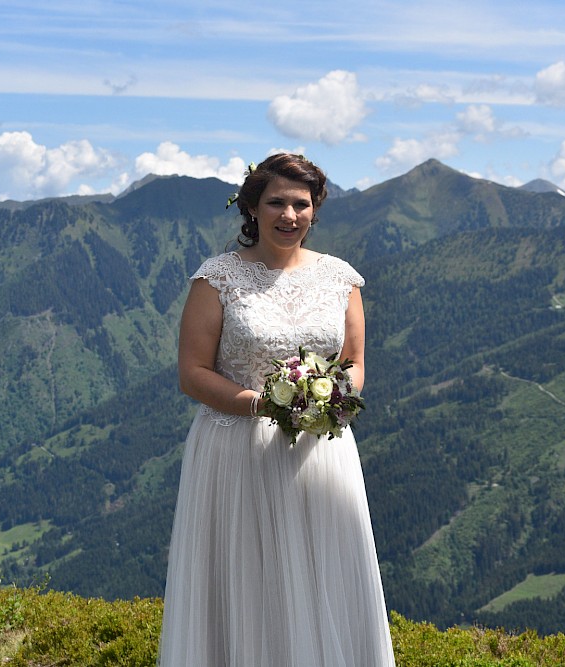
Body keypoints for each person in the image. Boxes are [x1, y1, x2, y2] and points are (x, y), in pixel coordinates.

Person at [158, 153, 395, 665]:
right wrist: (261, 405)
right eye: (277, 203)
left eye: (301, 204)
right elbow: (192, 373)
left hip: (320, 448)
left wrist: (330, 402)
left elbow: (353, 363)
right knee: (244, 577)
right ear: (252, 207)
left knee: (323, 568)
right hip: (235, 448)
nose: (290, 215)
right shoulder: (216, 279)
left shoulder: (341, 279)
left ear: (315, 210)